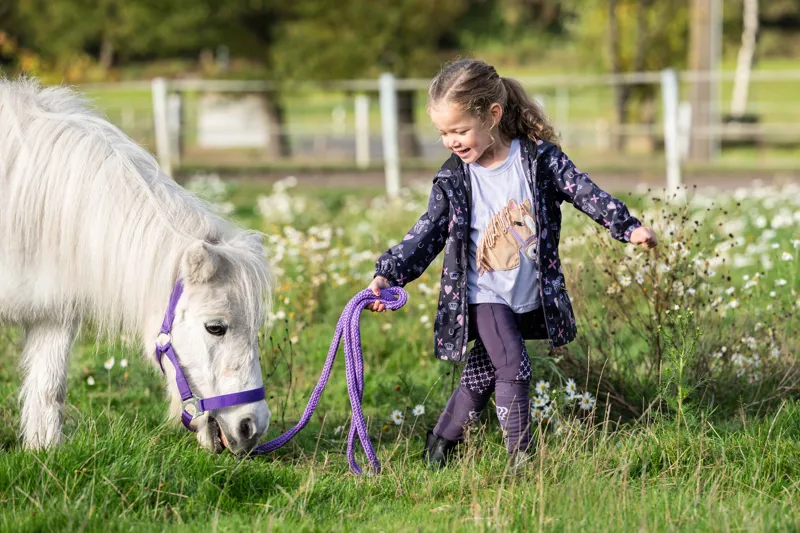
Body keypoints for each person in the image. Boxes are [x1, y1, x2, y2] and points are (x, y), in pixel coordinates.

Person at [367, 58, 658, 468]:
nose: (451, 140)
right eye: (443, 133)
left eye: (460, 130)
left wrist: (627, 227)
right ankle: (521, 462)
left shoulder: (539, 161)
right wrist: (388, 274)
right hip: (484, 294)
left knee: (483, 374)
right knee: (514, 367)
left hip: (526, 295)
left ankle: (438, 447)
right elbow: (425, 234)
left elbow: (585, 192)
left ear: (493, 115)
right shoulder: (454, 179)